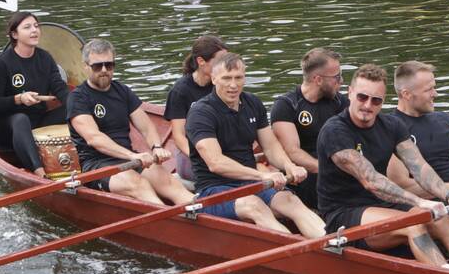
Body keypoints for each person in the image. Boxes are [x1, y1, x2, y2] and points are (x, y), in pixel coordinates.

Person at [316, 64, 449, 273]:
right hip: (343, 214)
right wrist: (420, 201)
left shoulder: (391, 125)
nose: (368, 105)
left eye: (376, 100)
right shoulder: (335, 130)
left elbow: (420, 168)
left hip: (381, 206)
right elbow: (371, 180)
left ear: (383, 101)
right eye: (362, 97)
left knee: (440, 217)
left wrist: (447, 195)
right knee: (414, 222)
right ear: (350, 93)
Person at [186, 52, 326, 237]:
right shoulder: (201, 113)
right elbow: (216, 162)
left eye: (239, 78)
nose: (233, 85)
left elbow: (270, 146)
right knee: (255, 205)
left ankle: (331, 246)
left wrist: (289, 165)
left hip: (250, 182)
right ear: (213, 79)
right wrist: (261, 175)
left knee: (291, 201)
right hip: (213, 190)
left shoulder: (252, 103)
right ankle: (299, 257)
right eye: (226, 78)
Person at [68, 39, 194, 205]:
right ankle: (170, 222)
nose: (104, 70)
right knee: (139, 185)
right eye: (97, 66)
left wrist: (156, 147)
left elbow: (147, 127)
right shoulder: (78, 98)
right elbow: (94, 138)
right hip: (97, 165)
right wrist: (132, 155)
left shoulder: (122, 91)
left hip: (128, 159)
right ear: (86, 67)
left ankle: (205, 215)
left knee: (169, 182)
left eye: (109, 65)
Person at [0, 11, 71, 176]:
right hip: (10, 128)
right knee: (20, 119)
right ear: (14, 34)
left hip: (38, 121)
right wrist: (18, 99)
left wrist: (78, 106)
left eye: (36, 26)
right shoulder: (2, 64)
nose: (34, 30)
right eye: (27, 27)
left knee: (74, 109)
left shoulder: (45, 58)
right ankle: (39, 172)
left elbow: (60, 88)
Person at [386, 61, 449, 200]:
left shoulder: (444, 119)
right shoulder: (389, 127)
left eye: (434, 88)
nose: (435, 94)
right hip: (428, 204)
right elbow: (402, 185)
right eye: (428, 90)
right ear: (406, 94)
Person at [270, 47, 349, 208]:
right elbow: (291, 151)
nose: (341, 81)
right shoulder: (287, 105)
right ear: (318, 79)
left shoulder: (340, 102)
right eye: (337, 76)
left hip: (338, 168)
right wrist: (327, 170)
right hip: (305, 176)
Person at [164, 34, 227, 181]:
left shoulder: (223, 85)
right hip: (193, 156)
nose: (225, 67)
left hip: (220, 149)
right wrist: (204, 157)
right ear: (201, 61)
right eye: (220, 61)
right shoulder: (180, 91)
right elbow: (179, 136)